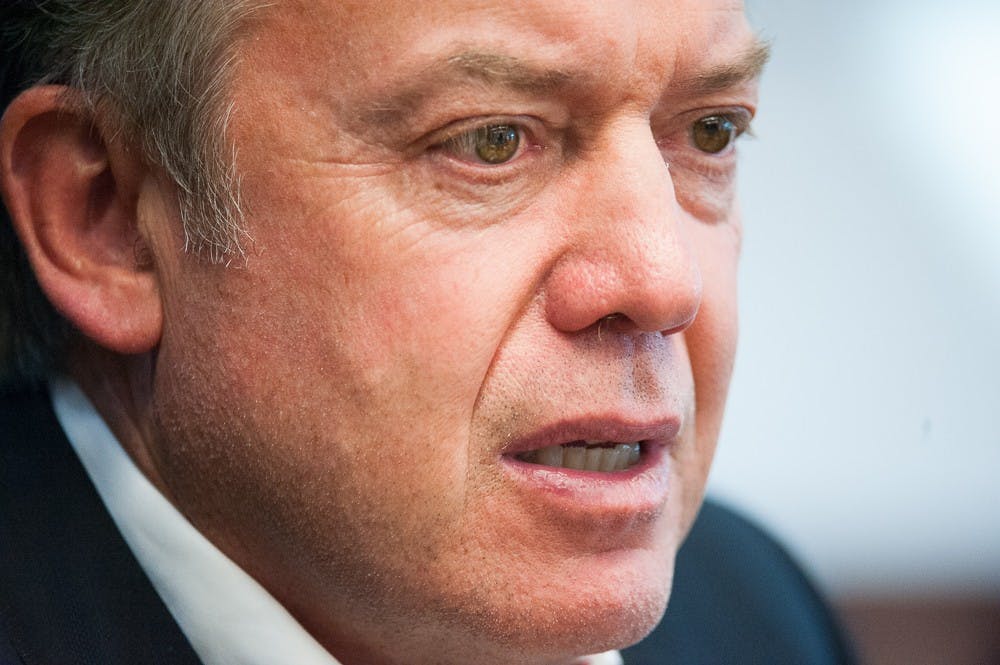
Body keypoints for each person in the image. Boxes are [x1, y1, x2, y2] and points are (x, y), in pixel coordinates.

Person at [0, 2, 854, 664]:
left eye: (711, 131)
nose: (665, 283)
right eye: (491, 141)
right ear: (108, 221)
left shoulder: (759, 615)